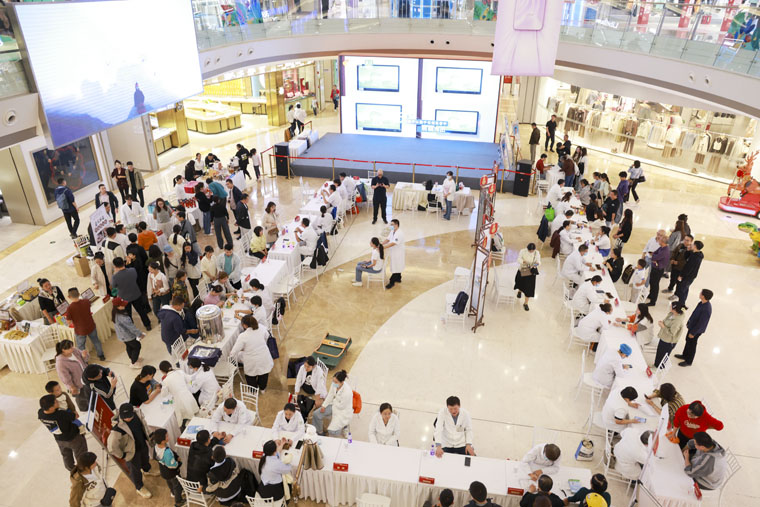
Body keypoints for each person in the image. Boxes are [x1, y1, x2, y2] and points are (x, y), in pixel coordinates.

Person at [106, 403, 156, 498]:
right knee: (135, 471)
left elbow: (144, 424)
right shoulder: (117, 428)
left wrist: (149, 434)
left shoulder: (137, 414)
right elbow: (112, 447)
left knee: (145, 458)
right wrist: (123, 455)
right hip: (131, 453)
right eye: (125, 417)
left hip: (142, 444)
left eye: (129, 416)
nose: (127, 419)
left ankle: (147, 470)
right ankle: (139, 487)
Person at [38, 394, 88, 472]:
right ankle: (84, 469)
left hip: (59, 439)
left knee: (66, 456)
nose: (58, 401)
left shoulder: (40, 413)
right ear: (51, 408)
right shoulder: (61, 414)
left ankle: (72, 470)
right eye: (55, 402)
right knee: (81, 454)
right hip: (73, 438)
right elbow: (75, 416)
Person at [230, 315, 273, 391]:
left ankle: (254, 391)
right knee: (264, 374)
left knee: (251, 377)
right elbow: (267, 336)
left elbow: (234, 351)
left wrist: (232, 357)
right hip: (264, 356)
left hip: (251, 361)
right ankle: (262, 388)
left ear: (245, 325)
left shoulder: (243, 336)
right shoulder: (261, 327)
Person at [64, 287, 105, 360]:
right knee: (96, 341)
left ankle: (85, 360)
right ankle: (101, 355)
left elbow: (69, 322)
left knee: (81, 346)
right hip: (91, 326)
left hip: (80, 330)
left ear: (69, 297)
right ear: (79, 294)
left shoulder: (69, 308)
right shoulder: (86, 301)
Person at [675, 289, 713, 366]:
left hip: (696, 330)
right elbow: (695, 314)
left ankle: (689, 361)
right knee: (688, 341)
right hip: (692, 326)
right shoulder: (701, 303)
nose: (699, 293)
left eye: (701, 293)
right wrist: (689, 322)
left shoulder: (706, 309)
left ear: (703, 296)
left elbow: (701, 323)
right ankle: (684, 355)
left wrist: (693, 333)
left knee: (692, 345)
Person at [112, 257, 152, 329]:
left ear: (115, 266)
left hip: (124, 298)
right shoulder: (132, 270)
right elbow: (135, 278)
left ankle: (132, 328)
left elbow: (114, 286)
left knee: (128, 314)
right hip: (135, 293)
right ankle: (147, 325)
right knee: (141, 311)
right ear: (123, 263)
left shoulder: (115, 277)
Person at [313, 369, 353, 436]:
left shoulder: (347, 392)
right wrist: (324, 406)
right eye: (333, 381)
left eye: (336, 382)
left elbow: (341, 406)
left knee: (332, 432)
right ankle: (319, 432)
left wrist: (333, 402)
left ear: (342, 382)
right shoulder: (335, 384)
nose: (333, 383)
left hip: (342, 410)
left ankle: (345, 426)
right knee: (316, 414)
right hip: (334, 405)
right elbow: (330, 395)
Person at [150, 428, 184, 507]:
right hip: (172, 473)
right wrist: (179, 463)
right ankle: (178, 501)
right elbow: (173, 465)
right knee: (177, 486)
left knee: (170, 483)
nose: (168, 436)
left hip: (164, 471)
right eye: (167, 436)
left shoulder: (156, 446)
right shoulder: (167, 452)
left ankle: (173, 493)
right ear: (163, 441)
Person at [55, 340, 89, 412]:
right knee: (81, 398)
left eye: (72, 346)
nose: (73, 348)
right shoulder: (60, 363)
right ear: (63, 350)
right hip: (77, 384)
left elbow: (85, 360)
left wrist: (84, 356)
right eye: (70, 347)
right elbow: (65, 377)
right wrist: (72, 387)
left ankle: (92, 406)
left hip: (86, 378)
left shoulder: (74, 351)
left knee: (89, 394)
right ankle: (85, 411)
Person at [111, 296, 144, 369]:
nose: (124, 306)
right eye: (122, 305)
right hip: (128, 336)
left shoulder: (115, 313)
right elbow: (131, 328)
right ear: (117, 307)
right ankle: (133, 362)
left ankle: (133, 358)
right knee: (137, 346)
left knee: (129, 346)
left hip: (122, 336)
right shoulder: (123, 317)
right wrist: (140, 334)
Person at [654, 302, 687, 367]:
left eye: (671, 306)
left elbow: (672, 333)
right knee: (659, 352)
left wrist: (663, 326)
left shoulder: (677, 321)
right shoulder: (672, 313)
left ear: (675, 309)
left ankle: (658, 367)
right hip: (664, 337)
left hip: (668, 341)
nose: (669, 307)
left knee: (662, 356)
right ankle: (656, 365)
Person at [673, 240, 704, 305]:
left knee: (682, 290)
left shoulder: (695, 257)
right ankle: (681, 303)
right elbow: (686, 257)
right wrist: (688, 250)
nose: (691, 245)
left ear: (695, 246)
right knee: (685, 289)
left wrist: (681, 275)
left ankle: (681, 304)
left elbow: (688, 268)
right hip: (691, 275)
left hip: (688, 276)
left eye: (692, 244)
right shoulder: (696, 254)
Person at [514, 243, 541, 311]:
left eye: (532, 250)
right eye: (529, 250)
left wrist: (535, 265)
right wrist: (523, 261)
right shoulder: (523, 251)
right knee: (520, 283)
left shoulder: (536, 253)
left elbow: (539, 262)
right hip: (522, 270)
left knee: (529, 288)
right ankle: (519, 291)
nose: (531, 251)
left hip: (530, 273)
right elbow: (518, 259)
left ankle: (526, 303)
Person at [646, 235, 670, 306]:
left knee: (655, 285)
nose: (658, 240)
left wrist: (654, 257)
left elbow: (654, 257)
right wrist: (654, 256)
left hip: (658, 270)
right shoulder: (661, 247)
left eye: (660, 239)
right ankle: (651, 295)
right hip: (655, 267)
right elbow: (655, 253)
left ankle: (653, 301)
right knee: (651, 282)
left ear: (662, 242)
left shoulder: (665, 251)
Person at [383, 219, 405, 289]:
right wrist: (381, 244)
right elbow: (388, 239)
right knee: (396, 265)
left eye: (392, 224)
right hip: (393, 252)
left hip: (398, 253)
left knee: (397, 266)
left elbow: (393, 243)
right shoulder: (392, 231)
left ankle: (391, 282)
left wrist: (383, 247)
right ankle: (398, 278)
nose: (391, 226)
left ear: (396, 225)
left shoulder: (399, 233)